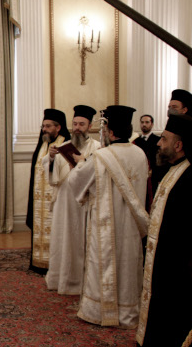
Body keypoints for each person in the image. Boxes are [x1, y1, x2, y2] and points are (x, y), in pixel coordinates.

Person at [68, 105, 149, 328]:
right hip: (132, 225)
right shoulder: (140, 154)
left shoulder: (102, 156)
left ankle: (100, 311)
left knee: (104, 263)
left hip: (107, 224)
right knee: (128, 264)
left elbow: (77, 181)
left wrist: (80, 163)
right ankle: (128, 311)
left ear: (110, 132)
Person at [136, 114, 192, 347]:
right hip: (163, 253)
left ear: (178, 145)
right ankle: (155, 340)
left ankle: (172, 346)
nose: (159, 143)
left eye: (165, 139)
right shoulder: (173, 169)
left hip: (178, 258)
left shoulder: (191, 175)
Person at [42, 105, 100, 295]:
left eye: (81, 124)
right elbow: (52, 175)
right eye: (75, 124)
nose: (77, 128)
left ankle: (81, 282)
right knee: (62, 240)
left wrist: (82, 162)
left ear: (90, 126)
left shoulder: (97, 148)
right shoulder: (63, 146)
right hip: (64, 201)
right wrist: (51, 159)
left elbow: (97, 175)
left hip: (83, 203)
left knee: (80, 242)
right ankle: (60, 278)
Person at [26, 109, 71, 274]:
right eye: (43, 126)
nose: (44, 129)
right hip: (39, 202)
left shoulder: (66, 144)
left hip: (56, 199)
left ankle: (55, 265)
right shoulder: (42, 144)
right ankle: (38, 263)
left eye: (48, 126)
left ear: (58, 127)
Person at [133, 114, 164, 211]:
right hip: (139, 177)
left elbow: (161, 160)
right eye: (142, 122)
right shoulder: (135, 141)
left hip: (153, 177)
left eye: (147, 122)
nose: (144, 124)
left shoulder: (158, 141)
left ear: (152, 124)